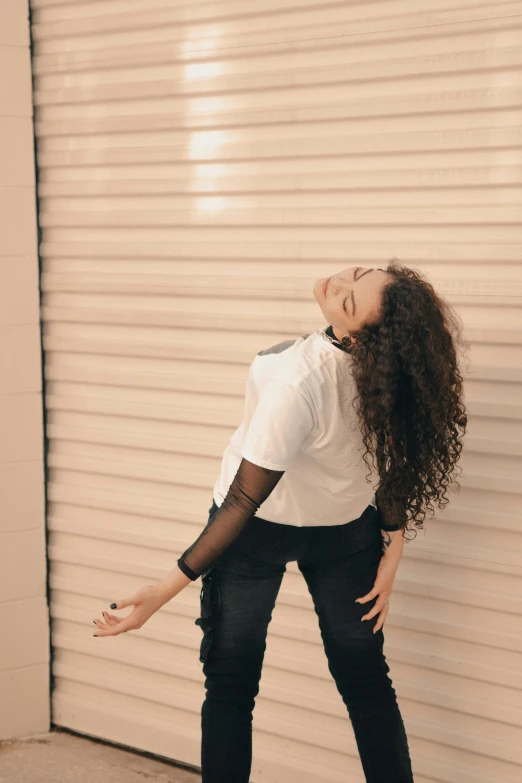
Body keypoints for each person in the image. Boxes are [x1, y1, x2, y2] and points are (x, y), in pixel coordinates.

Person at [92, 261, 468, 783]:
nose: (337, 283)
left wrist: (162, 591)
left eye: (350, 300)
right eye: (356, 273)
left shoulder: (300, 380)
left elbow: (244, 500)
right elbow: (394, 462)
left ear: (363, 340)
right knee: (366, 682)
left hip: (256, 534)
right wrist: (392, 545)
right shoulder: (390, 373)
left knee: (231, 684)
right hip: (345, 533)